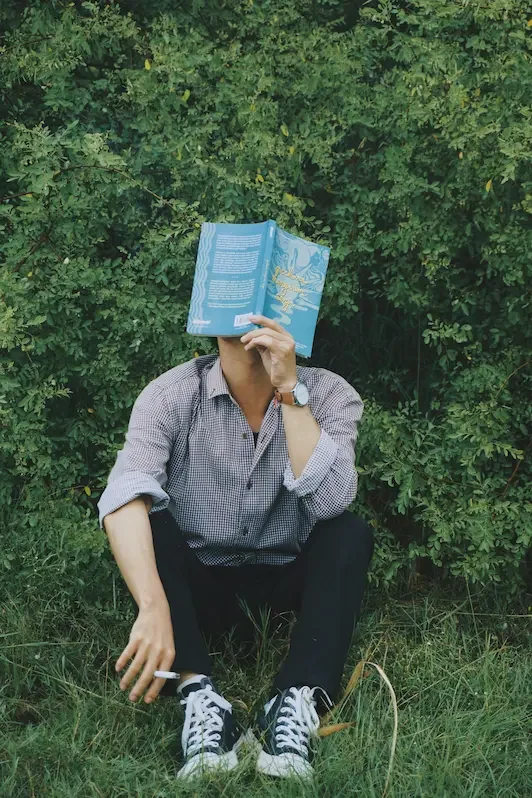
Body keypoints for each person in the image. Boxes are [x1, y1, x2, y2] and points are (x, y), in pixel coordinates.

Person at [97, 314, 374, 782]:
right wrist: (150, 604)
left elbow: (331, 501)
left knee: (348, 531)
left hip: (288, 585)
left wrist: (289, 391)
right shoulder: (170, 395)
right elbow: (122, 494)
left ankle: (295, 699)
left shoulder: (330, 394)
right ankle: (199, 696)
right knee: (149, 517)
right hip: (201, 585)